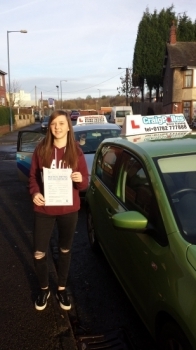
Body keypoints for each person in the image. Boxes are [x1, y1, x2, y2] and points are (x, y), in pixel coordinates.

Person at [29, 110, 88, 311]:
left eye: (61, 123)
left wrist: (80, 181)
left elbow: (85, 183)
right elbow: (33, 177)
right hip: (44, 208)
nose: (57, 127)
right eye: (54, 123)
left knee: (65, 250)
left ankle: (61, 289)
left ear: (68, 126)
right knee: (38, 252)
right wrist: (35, 192)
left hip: (68, 209)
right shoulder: (41, 149)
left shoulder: (76, 152)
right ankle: (44, 289)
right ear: (50, 127)